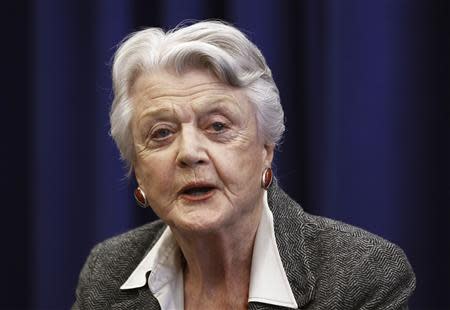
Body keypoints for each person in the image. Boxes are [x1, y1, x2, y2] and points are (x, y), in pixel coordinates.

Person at [72, 20, 415, 310]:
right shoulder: (108, 273)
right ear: (136, 165)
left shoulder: (362, 275)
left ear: (266, 147)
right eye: (161, 133)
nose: (189, 152)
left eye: (217, 126)